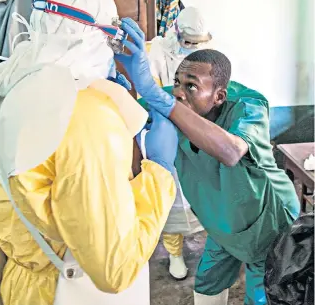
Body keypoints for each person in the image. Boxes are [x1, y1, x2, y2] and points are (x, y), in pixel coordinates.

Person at [0, 0, 178, 305]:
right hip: (71, 288)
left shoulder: (0, 82)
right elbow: (114, 268)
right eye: (110, 36)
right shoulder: (87, 116)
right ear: (93, 35)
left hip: (22, 279)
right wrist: (161, 173)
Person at [115, 19, 300, 305]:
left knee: (262, 293)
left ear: (219, 96)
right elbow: (127, 117)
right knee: (207, 284)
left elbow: (231, 151)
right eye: (177, 82)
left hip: (268, 223)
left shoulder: (248, 106)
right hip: (221, 222)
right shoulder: (176, 99)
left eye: (191, 86)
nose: (178, 91)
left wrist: (155, 96)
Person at [146, 6, 211, 280]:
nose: (193, 48)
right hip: (169, 131)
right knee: (172, 194)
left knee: (204, 192)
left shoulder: (213, 53)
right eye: (189, 43)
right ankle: (174, 253)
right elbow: (151, 91)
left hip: (200, 130)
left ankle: (210, 247)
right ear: (177, 33)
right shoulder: (159, 53)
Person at [149, 6, 212, 87]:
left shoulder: (208, 53)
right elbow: (151, 86)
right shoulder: (159, 48)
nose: (193, 47)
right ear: (177, 32)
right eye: (188, 41)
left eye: (197, 43)